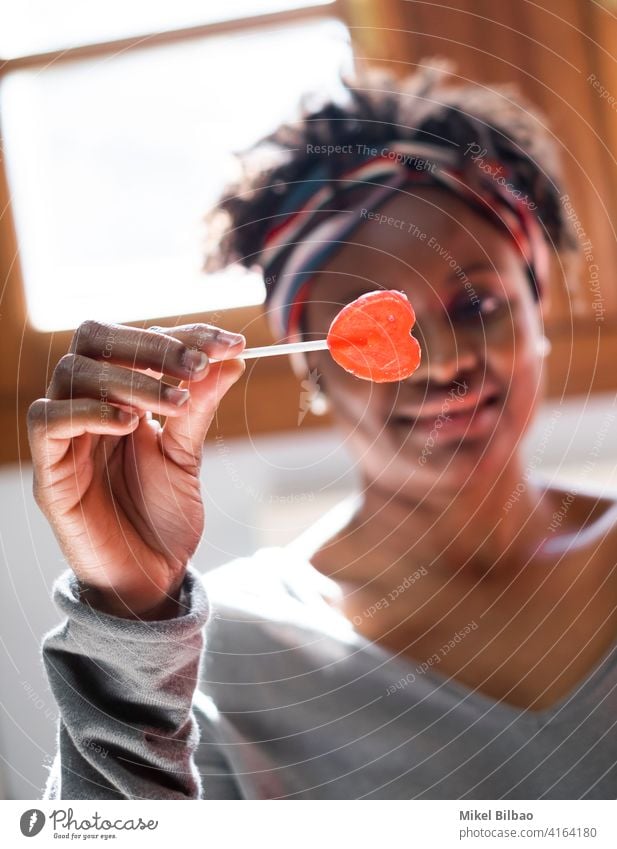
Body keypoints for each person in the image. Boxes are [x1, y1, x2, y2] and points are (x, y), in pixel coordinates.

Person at [29, 64, 617, 800]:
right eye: (376, 324)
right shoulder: (226, 647)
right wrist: (125, 618)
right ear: (311, 364)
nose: (440, 362)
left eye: (478, 304)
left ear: (538, 314)